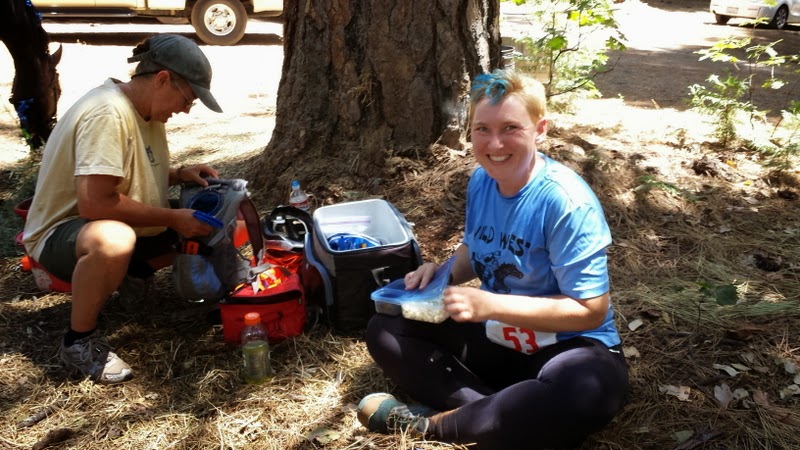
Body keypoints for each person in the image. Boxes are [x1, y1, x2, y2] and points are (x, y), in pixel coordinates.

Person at [356, 69, 629, 450]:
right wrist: (443, 274)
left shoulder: (566, 202)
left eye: (511, 128)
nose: (494, 143)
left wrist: (489, 304)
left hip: (569, 348)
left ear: (540, 129)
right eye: (482, 129)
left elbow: (590, 311)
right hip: (500, 339)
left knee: (583, 390)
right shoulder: (482, 181)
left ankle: (428, 426)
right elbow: (475, 247)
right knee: (386, 330)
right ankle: (501, 417)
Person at [22, 34, 224, 385]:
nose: (186, 109)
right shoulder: (108, 113)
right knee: (114, 240)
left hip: (96, 222)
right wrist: (173, 218)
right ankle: (79, 340)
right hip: (61, 233)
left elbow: (125, 172)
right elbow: (95, 202)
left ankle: (131, 274)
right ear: (162, 79)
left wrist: (178, 174)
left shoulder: (146, 112)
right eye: (188, 98)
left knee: (214, 219)